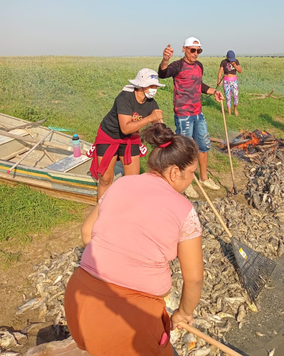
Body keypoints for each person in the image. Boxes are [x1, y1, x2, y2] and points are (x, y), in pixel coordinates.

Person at [65, 123, 203, 356]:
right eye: (191, 173)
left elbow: (87, 232)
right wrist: (182, 313)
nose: (192, 179)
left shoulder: (121, 184)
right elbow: (194, 280)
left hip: (79, 297)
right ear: (174, 172)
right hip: (128, 315)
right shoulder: (185, 211)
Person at [158, 37, 224, 199]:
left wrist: (214, 91)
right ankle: (185, 184)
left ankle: (203, 179)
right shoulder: (178, 65)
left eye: (198, 51)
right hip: (183, 115)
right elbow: (163, 73)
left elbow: (198, 85)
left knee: (203, 146)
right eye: (192, 50)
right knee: (185, 149)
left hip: (198, 113)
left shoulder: (199, 66)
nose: (195, 54)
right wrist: (165, 60)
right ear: (184, 49)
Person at [88, 68, 164, 200]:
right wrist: (149, 118)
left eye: (155, 86)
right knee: (105, 179)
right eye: (151, 86)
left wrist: (169, 137)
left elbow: (158, 126)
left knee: (132, 180)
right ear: (141, 86)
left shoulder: (152, 103)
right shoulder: (124, 98)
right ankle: (102, 212)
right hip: (109, 137)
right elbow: (125, 128)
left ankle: (127, 211)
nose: (154, 89)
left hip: (131, 139)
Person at [218, 50, 242, 116]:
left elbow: (240, 71)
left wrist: (235, 65)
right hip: (226, 81)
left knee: (235, 96)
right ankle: (229, 113)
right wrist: (218, 80)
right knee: (228, 97)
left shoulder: (236, 61)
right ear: (227, 57)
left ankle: (235, 110)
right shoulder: (223, 62)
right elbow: (220, 71)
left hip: (234, 81)